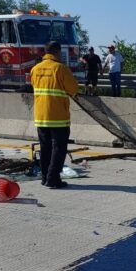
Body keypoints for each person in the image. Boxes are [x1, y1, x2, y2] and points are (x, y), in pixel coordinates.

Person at [31, 41, 79, 189]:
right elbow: (74, 89)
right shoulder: (61, 68)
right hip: (58, 117)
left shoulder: (35, 69)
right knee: (59, 149)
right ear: (57, 52)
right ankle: (53, 178)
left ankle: (45, 177)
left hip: (41, 116)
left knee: (45, 149)